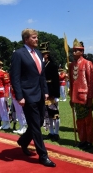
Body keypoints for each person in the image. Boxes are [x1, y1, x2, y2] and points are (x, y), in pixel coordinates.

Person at [10, 28, 56, 167]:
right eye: (34, 37)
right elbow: (15, 76)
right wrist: (19, 96)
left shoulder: (38, 53)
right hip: (27, 95)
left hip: (40, 94)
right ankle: (43, 155)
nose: (37, 40)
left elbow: (41, 74)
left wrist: (45, 90)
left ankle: (23, 141)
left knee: (40, 121)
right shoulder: (18, 54)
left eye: (37, 37)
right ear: (26, 39)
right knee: (36, 125)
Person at [69, 39, 93, 150]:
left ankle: (89, 140)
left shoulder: (87, 63)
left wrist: (90, 98)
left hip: (85, 97)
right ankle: (82, 139)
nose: (74, 53)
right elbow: (71, 82)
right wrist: (71, 97)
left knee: (88, 120)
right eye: (73, 51)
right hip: (76, 97)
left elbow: (91, 82)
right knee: (79, 121)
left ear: (82, 52)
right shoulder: (71, 65)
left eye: (77, 51)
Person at [39, 42, 61, 141]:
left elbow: (56, 81)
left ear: (47, 54)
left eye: (43, 53)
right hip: (44, 92)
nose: (42, 55)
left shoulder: (52, 65)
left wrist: (56, 94)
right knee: (47, 115)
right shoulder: (40, 65)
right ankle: (51, 132)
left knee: (55, 114)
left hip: (52, 91)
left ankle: (56, 133)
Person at [0, 57, 11, 130]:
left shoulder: (3, 73)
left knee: (4, 108)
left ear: (0, 65)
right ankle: (4, 123)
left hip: (2, 92)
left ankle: (7, 123)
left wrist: (6, 93)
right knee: (1, 109)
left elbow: (7, 84)